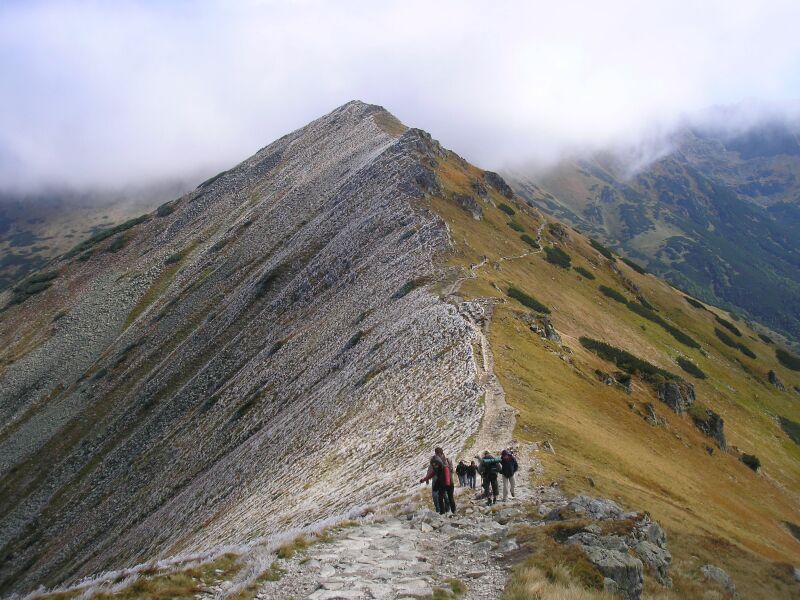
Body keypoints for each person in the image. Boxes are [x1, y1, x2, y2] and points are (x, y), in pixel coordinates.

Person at [435, 447, 456, 514]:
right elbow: (434, 472)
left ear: (440, 453)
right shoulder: (438, 461)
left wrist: (448, 481)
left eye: (437, 453)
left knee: (449, 497)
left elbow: (450, 469)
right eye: (436, 453)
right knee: (441, 498)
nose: (436, 455)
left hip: (448, 482)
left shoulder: (446, 459)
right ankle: (443, 512)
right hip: (443, 482)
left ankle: (453, 511)